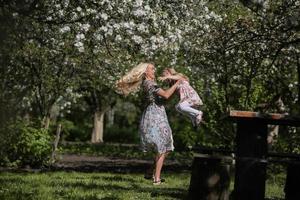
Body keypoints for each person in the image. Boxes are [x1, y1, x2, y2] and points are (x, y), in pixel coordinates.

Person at [116, 62, 183, 185]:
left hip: (159, 115)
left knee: (167, 146)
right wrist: (178, 83)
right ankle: (156, 179)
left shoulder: (152, 83)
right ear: (145, 72)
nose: (154, 71)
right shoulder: (149, 83)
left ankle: (150, 171)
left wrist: (173, 86)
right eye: (152, 69)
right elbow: (166, 95)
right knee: (162, 147)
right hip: (154, 117)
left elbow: (163, 99)